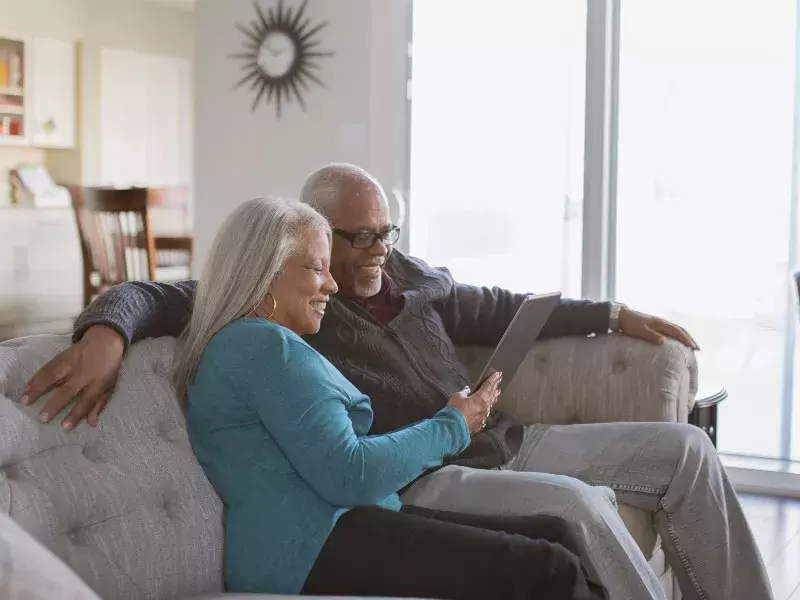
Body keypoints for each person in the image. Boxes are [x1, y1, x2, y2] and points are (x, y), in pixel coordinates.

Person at [21, 163, 772, 600]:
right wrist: (107, 330)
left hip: (500, 439)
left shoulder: (404, 277)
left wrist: (613, 313)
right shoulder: (279, 307)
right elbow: (159, 293)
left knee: (685, 451)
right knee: (570, 514)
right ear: (308, 239)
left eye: (388, 232)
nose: (381, 249)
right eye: (358, 238)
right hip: (428, 467)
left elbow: (504, 306)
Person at [171, 196, 607, 599]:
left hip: (342, 524)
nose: (331, 285)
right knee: (551, 567)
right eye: (315, 268)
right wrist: (453, 424)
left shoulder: (256, 344)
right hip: (309, 548)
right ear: (264, 272)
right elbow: (350, 472)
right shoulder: (263, 348)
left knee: (557, 533)